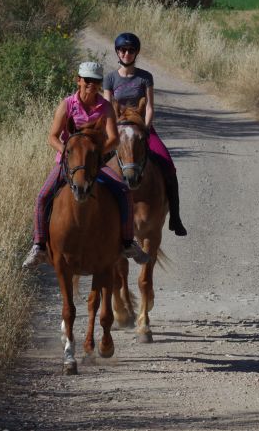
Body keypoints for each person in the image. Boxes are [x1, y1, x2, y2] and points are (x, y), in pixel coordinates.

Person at [22, 61, 149, 268]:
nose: (91, 85)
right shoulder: (67, 105)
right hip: (68, 165)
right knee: (43, 196)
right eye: (87, 80)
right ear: (78, 80)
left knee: (124, 192)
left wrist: (96, 154)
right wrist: (67, 152)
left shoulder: (105, 107)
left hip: (95, 164)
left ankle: (127, 243)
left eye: (96, 81)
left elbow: (114, 139)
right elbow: (52, 137)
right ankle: (39, 246)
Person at [103, 32, 188, 237]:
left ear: (136, 52)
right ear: (117, 52)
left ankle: (175, 217)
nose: (126, 53)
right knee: (95, 163)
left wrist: (146, 128)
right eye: (123, 50)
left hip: (142, 128)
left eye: (131, 50)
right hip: (118, 128)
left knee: (167, 164)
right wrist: (114, 130)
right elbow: (108, 107)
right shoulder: (110, 78)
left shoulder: (145, 77)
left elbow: (150, 106)